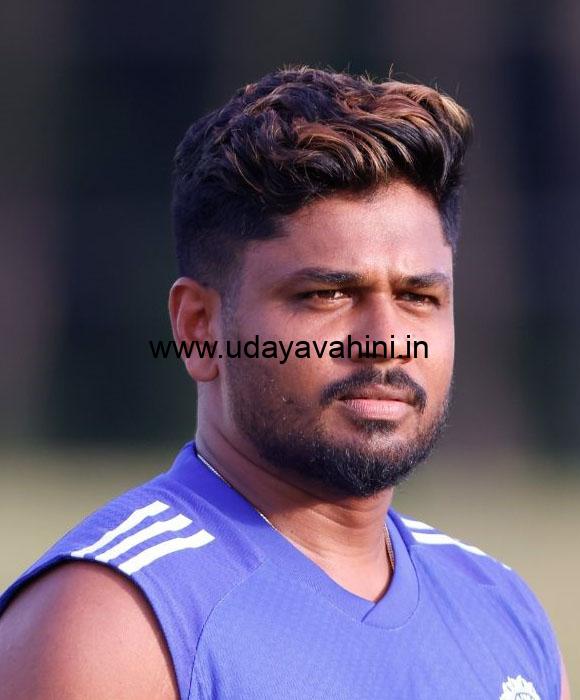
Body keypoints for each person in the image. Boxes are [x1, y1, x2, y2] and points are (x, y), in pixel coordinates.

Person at [0, 66, 570, 700]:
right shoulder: (115, 626)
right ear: (199, 328)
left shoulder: (502, 611)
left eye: (418, 296)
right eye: (327, 294)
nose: (387, 339)